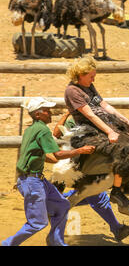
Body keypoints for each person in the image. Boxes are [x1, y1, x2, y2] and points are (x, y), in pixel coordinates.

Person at [2, 97, 95, 246]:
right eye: (46, 111)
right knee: (37, 223)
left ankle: (56, 242)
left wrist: (47, 158)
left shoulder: (31, 129)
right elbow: (57, 154)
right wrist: (81, 150)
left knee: (63, 205)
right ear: (38, 115)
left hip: (35, 179)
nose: (50, 113)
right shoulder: (43, 130)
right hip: (32, 182)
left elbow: (33, 152)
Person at [64, 56, 129, 208]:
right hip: (88, 131)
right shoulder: (72, 91)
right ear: (81, 75)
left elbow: (103, 105)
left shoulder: (88, 87)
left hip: (105, 124)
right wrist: (110, 132)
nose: (93, 80)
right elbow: (89, 114)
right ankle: (117, 190)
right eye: (91, 77)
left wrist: (124, 119)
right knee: (122, 148)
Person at [53, 111, 129, 242]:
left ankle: (51, 202)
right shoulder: (73, 123)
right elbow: (56, 134)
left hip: (91, 167)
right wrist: (65, 115)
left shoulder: (98, 124)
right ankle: (117, 229)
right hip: (77, 167)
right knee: (98, 197)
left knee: (92, 196)